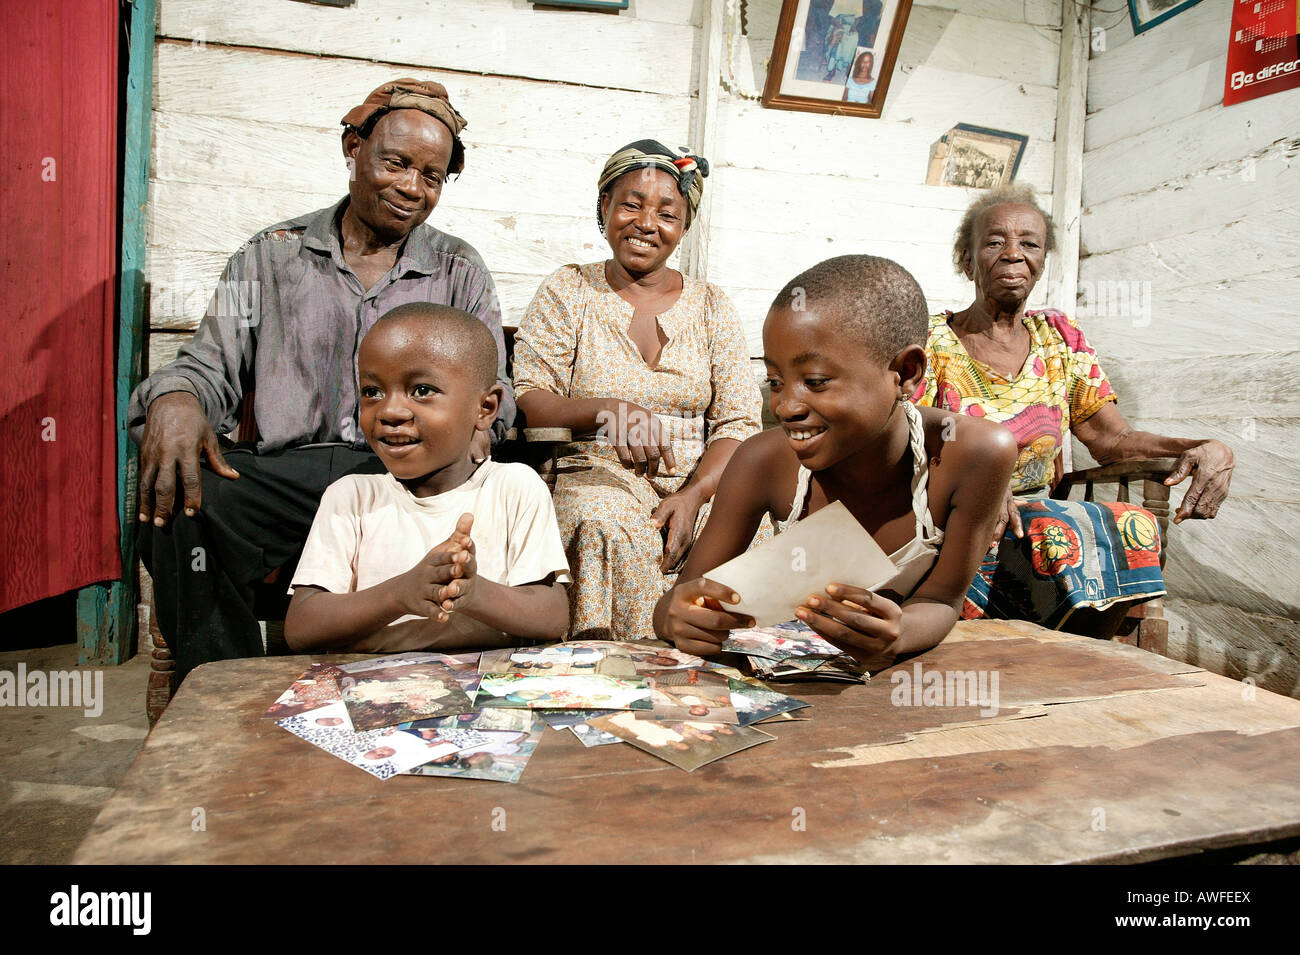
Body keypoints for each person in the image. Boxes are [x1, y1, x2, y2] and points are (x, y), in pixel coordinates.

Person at [129, 80, 517, 684]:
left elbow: (499, 388)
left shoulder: (458, 269)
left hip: (404, 478)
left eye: (432, 176)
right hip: (292, 477)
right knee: (181, 499)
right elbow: (208, 365)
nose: (413, 187)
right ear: (352, 148)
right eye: (396, 162)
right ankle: (224, 692)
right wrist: (176, 397)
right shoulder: (269, 256)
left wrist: (474, 430)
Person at [654, 255, 1017, 670]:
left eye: (816, 382)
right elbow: (677, 604)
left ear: (907, 372)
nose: (786, 406)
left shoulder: (973, 455)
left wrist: (899, 634)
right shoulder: (762, 462)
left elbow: (941, 600)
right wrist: (680, 618)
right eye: (775, 382)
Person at [916, 184, 1235, 632]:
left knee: (1130, 522)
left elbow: (1112, 439)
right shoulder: (931, 340)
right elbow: (902, 436)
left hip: (1036, 517)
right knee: (1051, 529)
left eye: (1029, 243)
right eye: (994, 242)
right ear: (967, 260)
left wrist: (1201, 445)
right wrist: (977, 487)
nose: (1013, 254)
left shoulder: (1060, 338)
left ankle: (1080, 657)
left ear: (1042, 261)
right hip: (949, 510)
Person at [512, 140, 762, 641]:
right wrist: (606, 411)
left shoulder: (713, 306)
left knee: (753, 526)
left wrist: (693, 495)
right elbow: (532, 395)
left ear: (684, 227)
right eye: (630, 204)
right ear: (603, 206)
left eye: (667, 213)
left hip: (700, 478)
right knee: (602, 521)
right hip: (595, 470)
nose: (647, 223)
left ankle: (721, 668)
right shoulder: (570, 290)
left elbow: (738, 422)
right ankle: (616, 663)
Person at [284, 304, 570, 652]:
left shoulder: (514, 488)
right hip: (373, 690)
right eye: (372, 391)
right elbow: (301, 626)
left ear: (485, 408)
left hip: (485, 691)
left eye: (421, 390)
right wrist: (402, 593)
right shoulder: (351, 498)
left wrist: (474, 591)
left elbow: (552, 615)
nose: (390, 411)